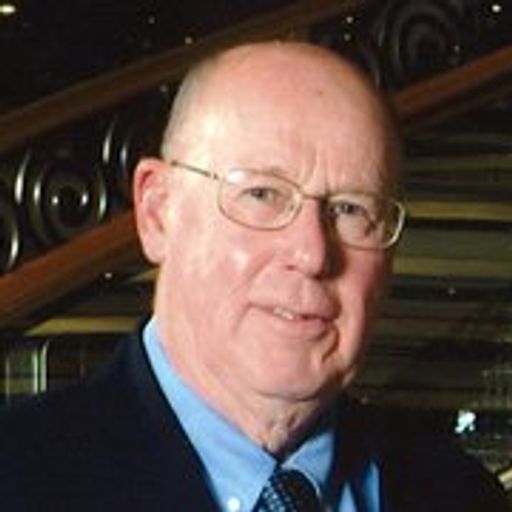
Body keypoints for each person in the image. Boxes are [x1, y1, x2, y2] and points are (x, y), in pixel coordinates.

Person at [0, 41, 509, 511]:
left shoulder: (462, 494)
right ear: (158, 213)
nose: (312, 254)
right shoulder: (17, 476)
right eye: (262, 194)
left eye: (351, 209)